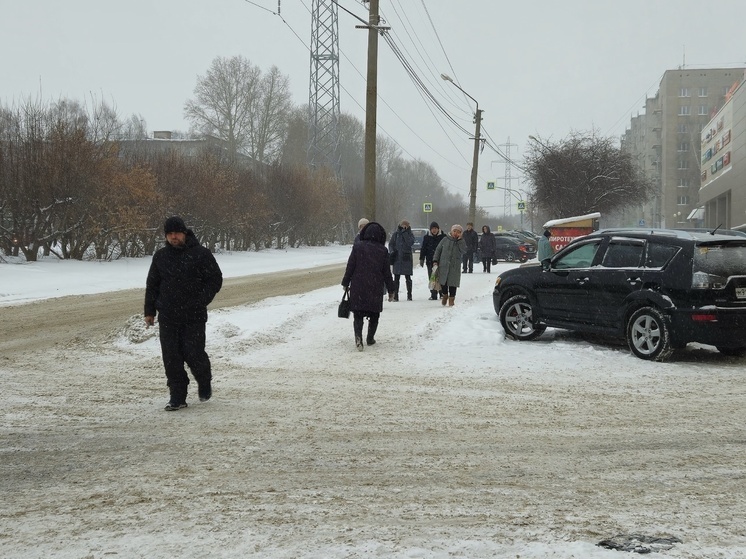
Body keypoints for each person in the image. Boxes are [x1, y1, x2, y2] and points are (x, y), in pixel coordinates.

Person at [144, 216, 223, 411]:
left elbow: (215, 280)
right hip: (168, 316)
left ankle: (204, 379)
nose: (173, 237)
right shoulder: (161, 256)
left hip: (193, 316)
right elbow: (152, 284)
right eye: (169, 234)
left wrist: (201, 301)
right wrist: (149, 310)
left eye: (176, 233)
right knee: (171, 357)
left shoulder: (201, 254)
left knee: (193, 353)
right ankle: (177, 396)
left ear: (185, 233)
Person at [341, 222, 396, 351]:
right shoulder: (383, 250)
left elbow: (350, 266)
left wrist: (345, 282)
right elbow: (387, 272)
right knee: (374, 314)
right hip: (375, 286)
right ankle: (370, 338)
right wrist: (391, 289)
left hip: (358, 285)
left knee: (358, 314)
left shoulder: (357, 247)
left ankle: (358, 337)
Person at [432, 224, 466, 307]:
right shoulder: (445, 239)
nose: (456, 233)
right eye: (454, 231)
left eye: (458, 232)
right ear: (451, 231)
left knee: (453, 284)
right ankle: (445, 295)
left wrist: (460, 240)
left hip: (454, 266)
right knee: (443, 282)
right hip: (443, 265)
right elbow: (438, 249)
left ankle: (451, 299)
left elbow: (463, 251)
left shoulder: (461, 242)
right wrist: (435, 260)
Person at [388, 219, 415, 301]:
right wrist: (392, 251)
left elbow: (410, 243)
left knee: (408, 278)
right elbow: (391, 244)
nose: (404, 226)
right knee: (396, 278)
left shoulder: (410, 234)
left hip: (406, 258)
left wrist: (405, 233)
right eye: (403, 225)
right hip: (397, 258)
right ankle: (396, 296)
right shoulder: (396, 234)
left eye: (406, 225)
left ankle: (409, 295)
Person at [419, 221, 447, 300]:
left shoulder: (443, 237)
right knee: (432, 277)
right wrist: (422, 258)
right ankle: (433, 294)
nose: (434, 230)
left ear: (438, 229)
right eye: (432, 229)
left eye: (435, 228)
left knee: (441, 277)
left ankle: (442, 293)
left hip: (441, 261)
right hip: (430, 260)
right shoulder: (427, 237)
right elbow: (423, 248)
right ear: (430, 230)